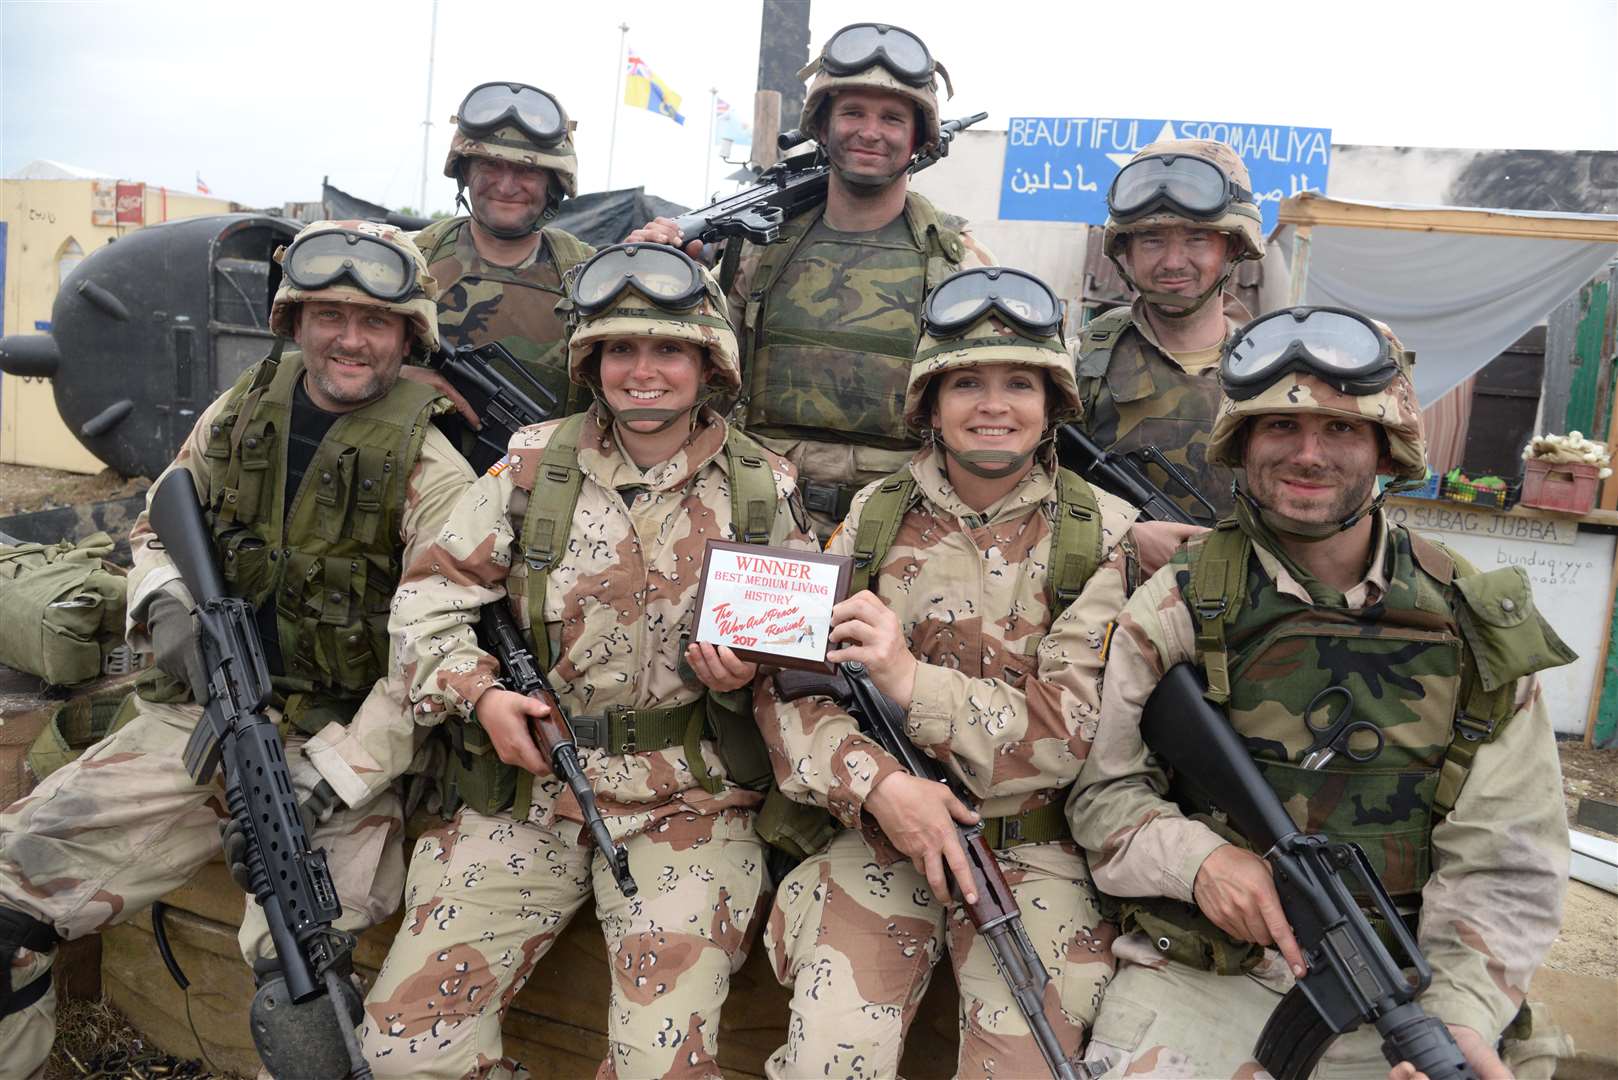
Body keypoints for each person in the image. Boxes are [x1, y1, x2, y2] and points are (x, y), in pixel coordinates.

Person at [0, 220, 476, 1077]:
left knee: (301, 983)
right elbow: (158, 526)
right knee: (5, 910)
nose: (350, 339)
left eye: (376, 322)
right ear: (294, 321)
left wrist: (330, 776)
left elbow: (429, 660)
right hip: (199, 720)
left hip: (342, 750)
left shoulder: (435, 471)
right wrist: (169, 607)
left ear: (410, 337)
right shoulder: (240, 412)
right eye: (328, 315)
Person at [1068, 306, 1574, 1078]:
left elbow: (1510, 857)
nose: (1308, 454)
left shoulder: (1470, 620)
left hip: (1418, 979)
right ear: (1243, 443)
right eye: (1279, 429)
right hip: (1212, 974)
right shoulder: (1179, 602)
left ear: (1385, 449)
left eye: (1341, 430)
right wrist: (1201, 862)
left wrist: (1461, 1018)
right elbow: (1104, 796)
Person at [359, 244, 814, 1079]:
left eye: (668, 349)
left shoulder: (759, 490)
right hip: (529, 794)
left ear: (708, 363)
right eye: (621, 349)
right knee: (401, 1050)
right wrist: (481, 695)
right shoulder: (533, 469)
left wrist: (752, 672)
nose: (644, 371)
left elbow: (800, 662)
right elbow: (426, 603)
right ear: (591, 361)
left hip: (690, 806)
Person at [755, 266, 1193, 1078]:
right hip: (883, 837)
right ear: (929, 405)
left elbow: (1071, 731)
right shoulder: (872, 517)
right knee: (829, 1060)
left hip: (1033, 851)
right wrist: (881, 788)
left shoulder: (1105, 535)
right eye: (967, 383)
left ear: (1052, 403)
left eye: (1018, 383)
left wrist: (906, 679)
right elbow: (789, 691)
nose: (993, 405)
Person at [630, 22, 992, 539]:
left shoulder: (957, 260)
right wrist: (662, 276)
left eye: (892, 118)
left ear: (919, 138)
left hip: (903, 526)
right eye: (852, 113)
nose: (870, 131)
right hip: (756, 513)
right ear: (821, 126)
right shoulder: (758, 250)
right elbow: (683, 368)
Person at [1071, 138, 1267, 523]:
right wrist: (1117, 539)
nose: (1173, 262)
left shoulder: (1274, 369)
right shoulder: (1077, 364)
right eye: (1152, 240)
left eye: (1197, 239)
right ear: (1125, 252)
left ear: (1233, 247)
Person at [405, 80, 597, 429]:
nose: (506, 186)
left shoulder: (591, 278)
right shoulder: (409, 261)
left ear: (554, 183)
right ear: (465, 172)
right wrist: (397, 381)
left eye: (527, 170)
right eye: (489, 166)